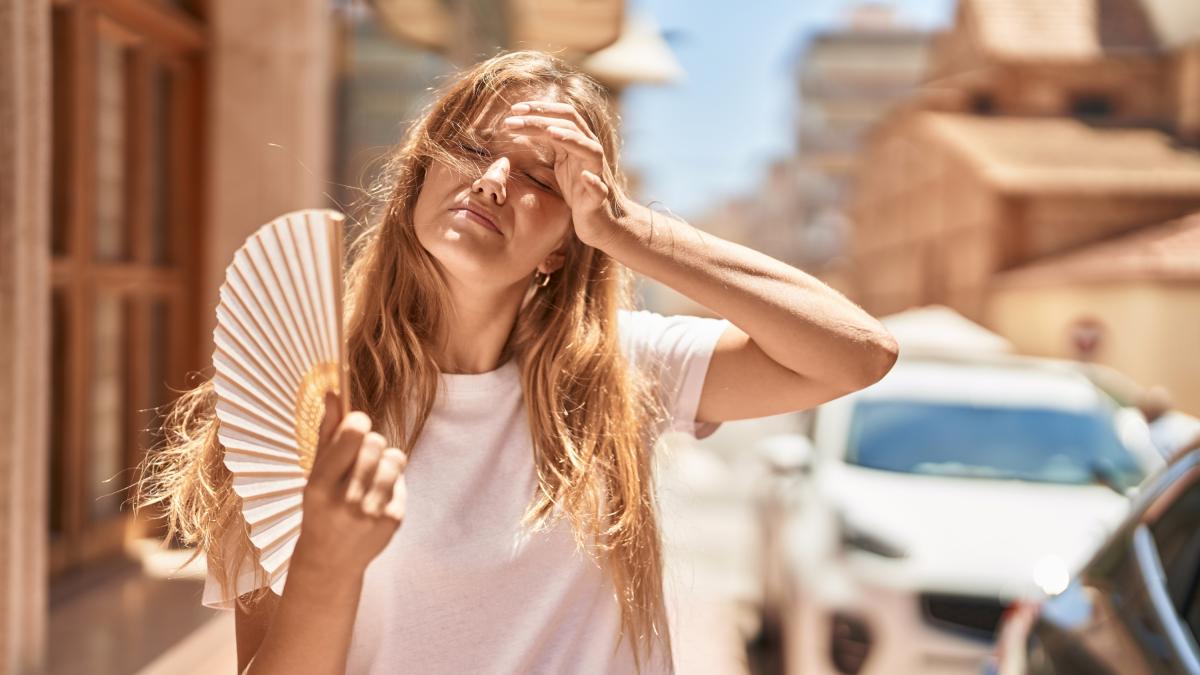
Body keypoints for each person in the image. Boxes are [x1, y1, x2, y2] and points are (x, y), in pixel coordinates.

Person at [135, 51, 898, 675]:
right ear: (418, 179)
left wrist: (630, 229)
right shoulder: (299, 399)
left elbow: (857, 354)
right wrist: (326, 570)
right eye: (470, 147)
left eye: (541, 175)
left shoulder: (618, 372)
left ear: (566, 243)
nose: (494, 179)